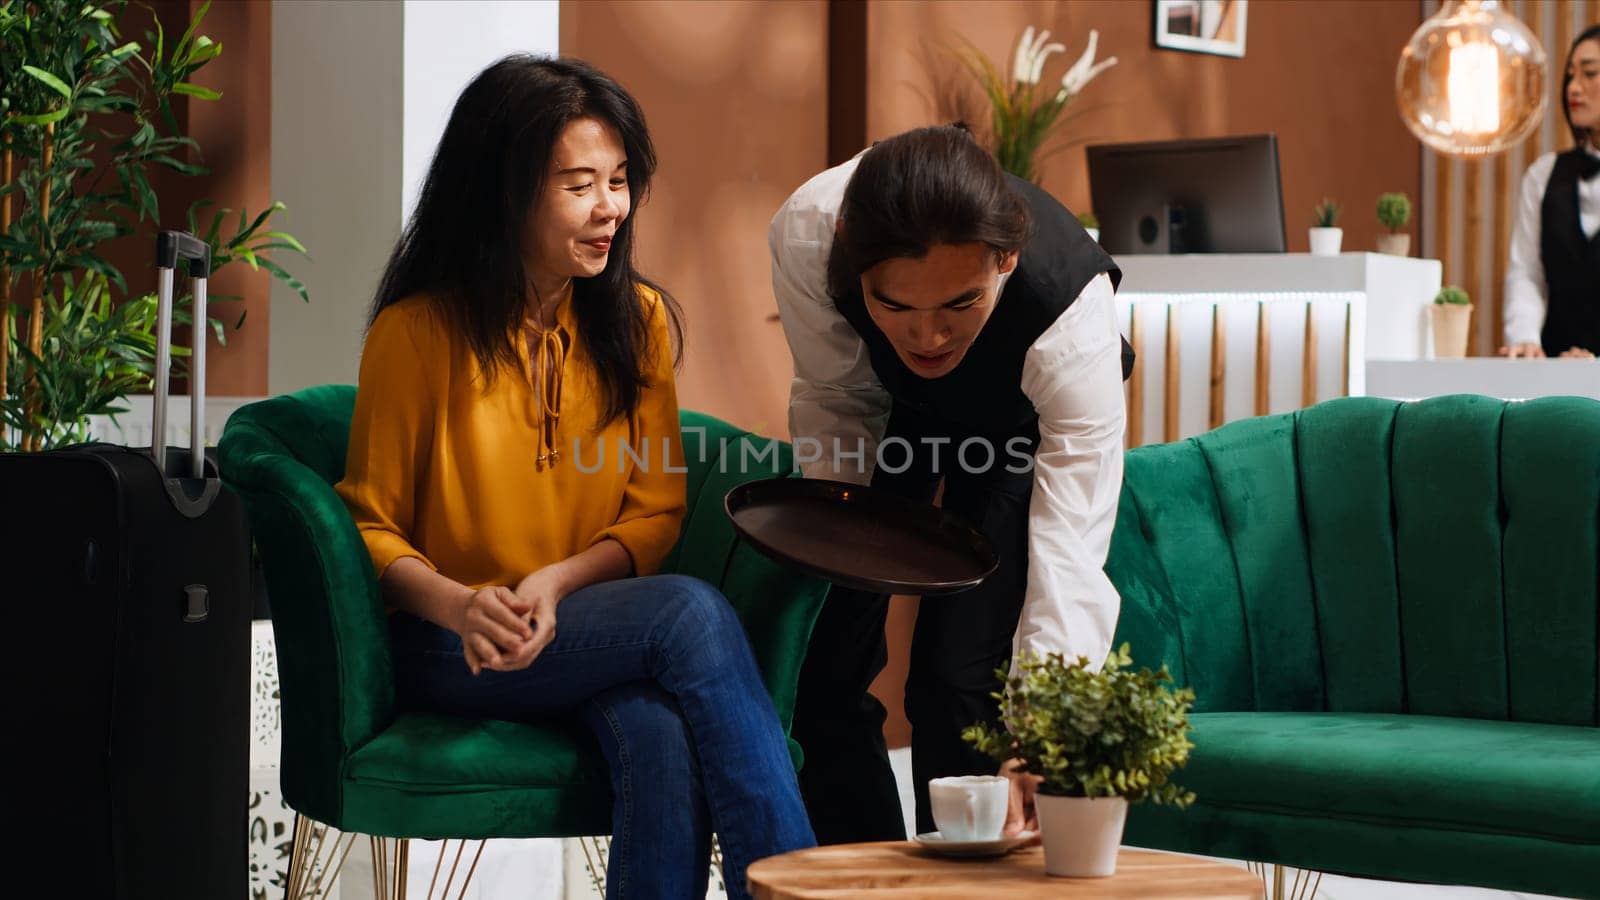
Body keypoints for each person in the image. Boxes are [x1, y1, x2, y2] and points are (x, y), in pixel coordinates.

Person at [336, 55, 814, 899]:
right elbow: (368, 527)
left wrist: (556, 586)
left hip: (586, 626)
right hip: (454, 641)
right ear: (505, 192)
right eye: (580, 185)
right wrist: (465, 604)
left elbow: (655, 510)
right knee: (692, 612)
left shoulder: (640, 323)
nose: (610, 210)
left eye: (621, 181)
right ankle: (792, 891)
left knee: (662, 736)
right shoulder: (415, 337)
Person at [768, 125, 1133, 843]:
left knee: (955, 681)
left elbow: (1069, 551)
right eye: (894, 305)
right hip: (886, 406)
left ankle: (965, 880)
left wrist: (1042, 730)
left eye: (959, 305)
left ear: (1007, 257)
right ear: (848, 242)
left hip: (1013, 426)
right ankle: (862, 882)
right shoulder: (809, 234)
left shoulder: (1068, 319)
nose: (928, 336)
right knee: (823, 665)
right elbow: (838, 397)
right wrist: (842, 556)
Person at [1502, 24, 1600, 360]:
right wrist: (1525, 339)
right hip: (1553, 379)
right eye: (1571, 76)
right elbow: (1526, 273)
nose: (1573, 87)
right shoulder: (1542, 175)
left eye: (1589, 73)